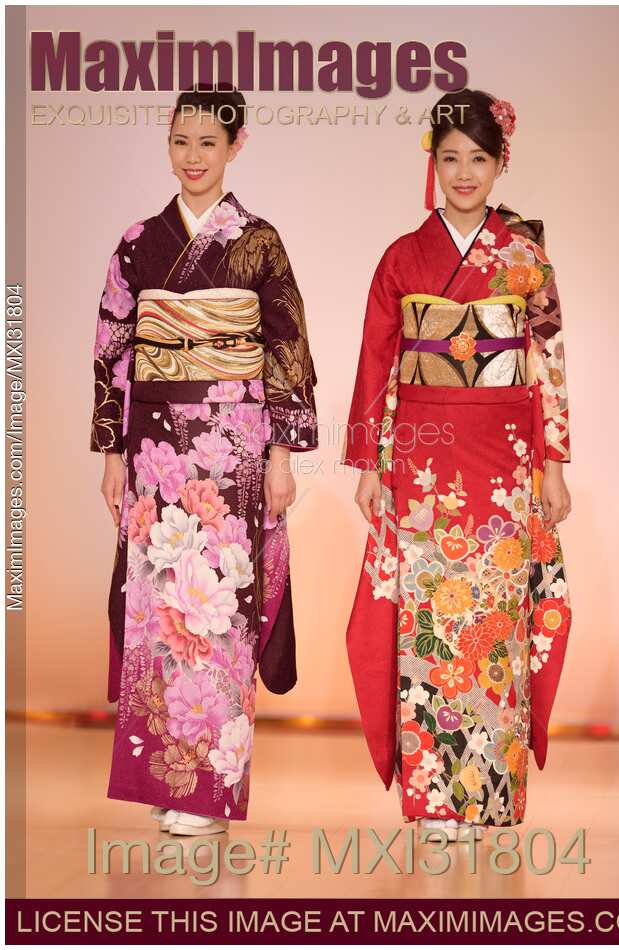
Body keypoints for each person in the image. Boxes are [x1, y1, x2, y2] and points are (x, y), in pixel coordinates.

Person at [341, 90, 572, 842]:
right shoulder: (402, 257)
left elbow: (546, 364)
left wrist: (553, 462)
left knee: (496, 622)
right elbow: (378, 359)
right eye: (450, 159)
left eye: (478, 158)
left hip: (502, 455)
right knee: (432, 622)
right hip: (424, 455)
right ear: (431, 163)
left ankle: (491, 791)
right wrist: (369, 461)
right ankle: (438, 795)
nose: (464, 173)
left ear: (500, 163)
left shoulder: (525, 257)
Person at [91, 85, 318, 836]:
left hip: (232, 448)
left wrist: (282, 457)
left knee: (216, 614)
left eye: (207, 143)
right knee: (159, 614)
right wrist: (113, 449)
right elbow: (113, 349)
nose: (192, 157)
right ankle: (170, 776)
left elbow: (286, 354)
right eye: (179, 141)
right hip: (156, 446)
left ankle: (210, 790)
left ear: (236, 145)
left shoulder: (259, 240)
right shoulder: (136, 242)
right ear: (168, 143)